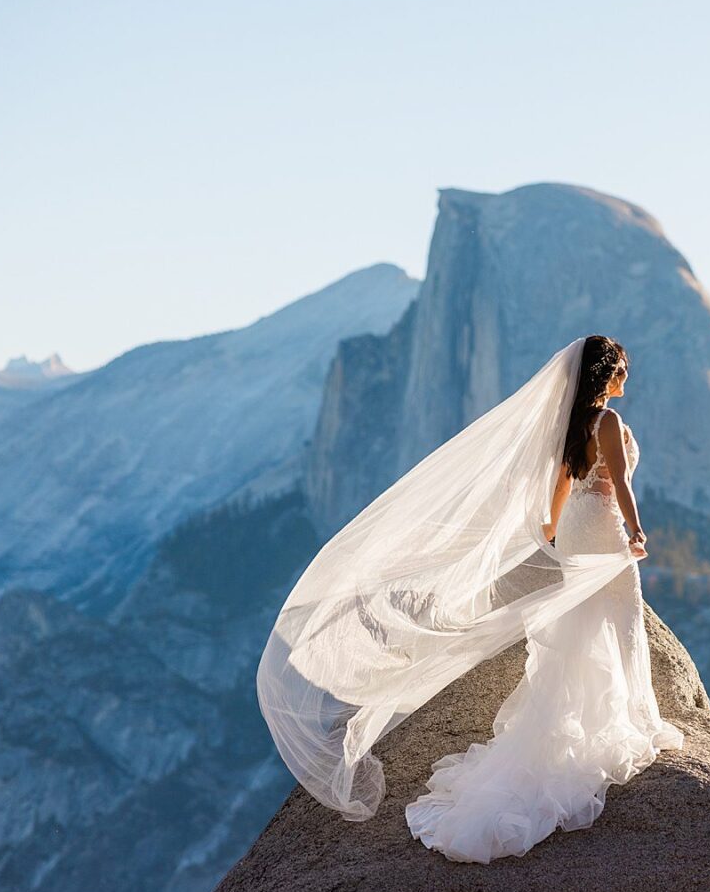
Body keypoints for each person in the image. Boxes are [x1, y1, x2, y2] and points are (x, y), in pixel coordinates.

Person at [256, 335, 684, 863]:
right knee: (620, 618)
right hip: (601, 526)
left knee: (578, 623)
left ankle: (591, 713)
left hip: (575, 527)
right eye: (622, 370)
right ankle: (632, 716)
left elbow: (561, 486)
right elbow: (618, 481)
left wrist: (551, 535)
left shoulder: (570, 424)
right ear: (607, 375)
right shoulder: (608, 423)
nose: (627, 379)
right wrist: (636, 532)